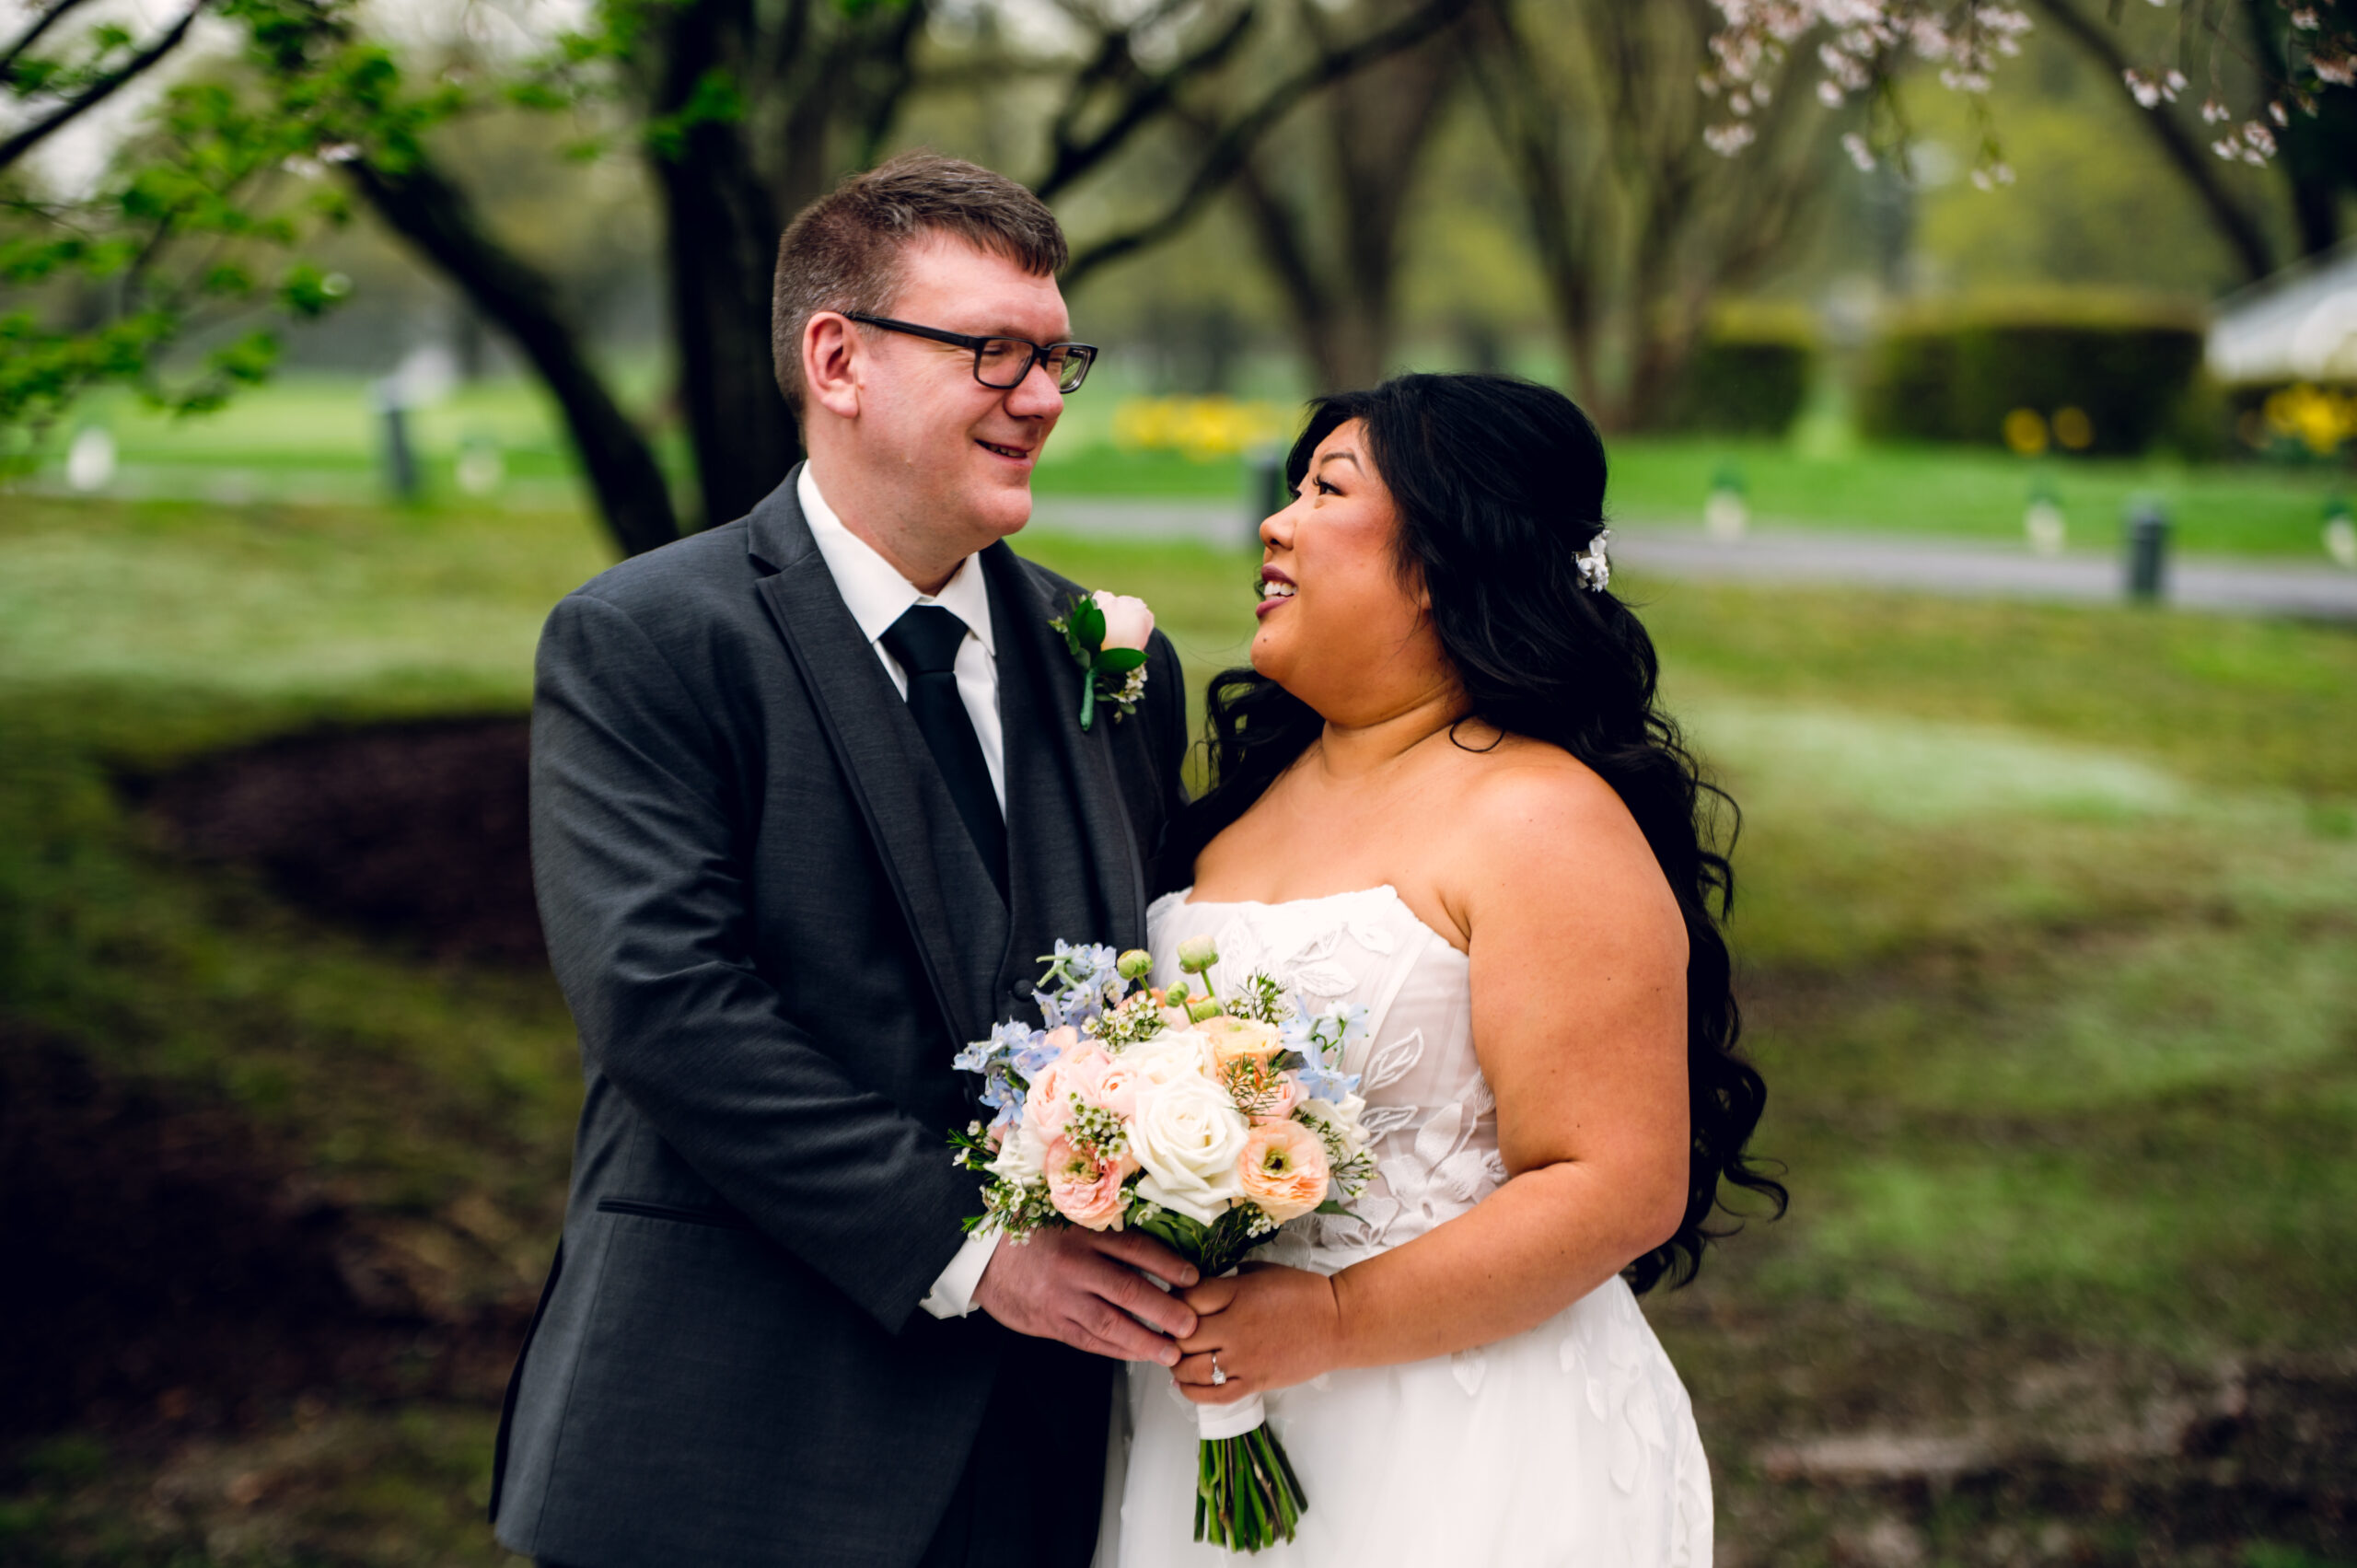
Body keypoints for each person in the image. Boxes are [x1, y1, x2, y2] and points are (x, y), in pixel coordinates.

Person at [492, 153, 1205, 1568]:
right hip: (730, 1437)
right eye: (996, 351)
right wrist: (976, 1250)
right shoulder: (648, 640)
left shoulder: (1118, 663)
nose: (1046, 399)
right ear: (839, 357)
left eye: (1062, 359)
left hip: (1049, 1455)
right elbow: (664, 1001)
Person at [1097, 374, 1783, 1565]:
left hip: (1462, 1442)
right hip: (1207, 1415)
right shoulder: (1236, 812)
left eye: (1327, 490)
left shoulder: (1539, 819)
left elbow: (1617, 1184)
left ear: (1443, 560)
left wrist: (1329, 1319)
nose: (1277, 520)